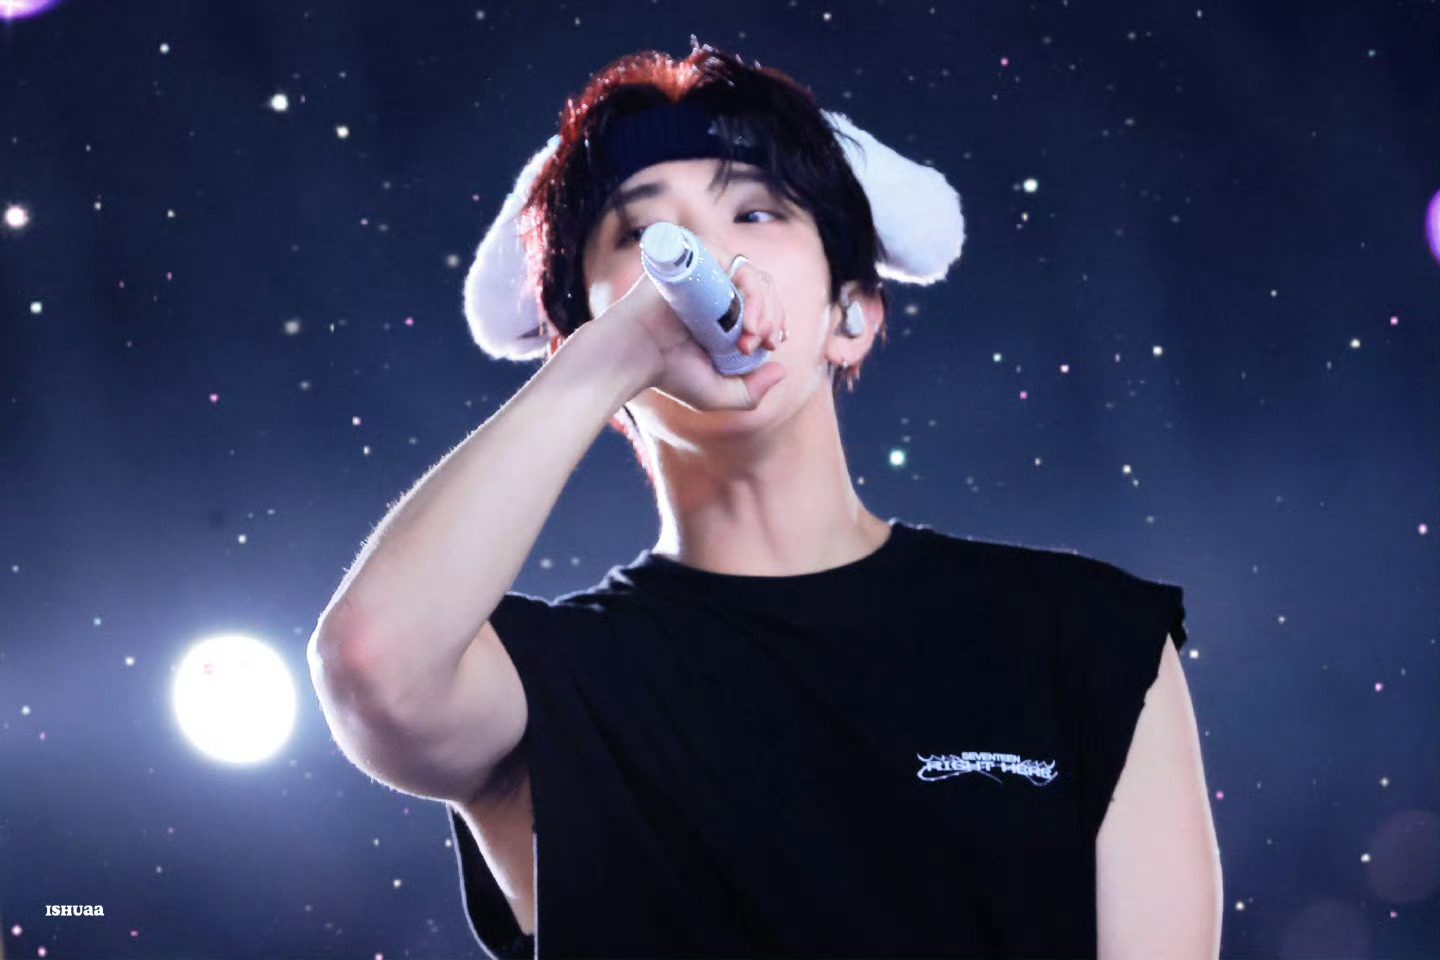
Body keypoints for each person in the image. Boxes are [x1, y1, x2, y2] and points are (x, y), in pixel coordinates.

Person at [308, 38, 1222, 960]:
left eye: (755, 211)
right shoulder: (553, 687)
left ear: (851, 313)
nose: (702, 258)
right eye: (637, 236)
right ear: (584, 344)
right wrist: (613, 357)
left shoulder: (1082, 635)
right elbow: (373, 664)